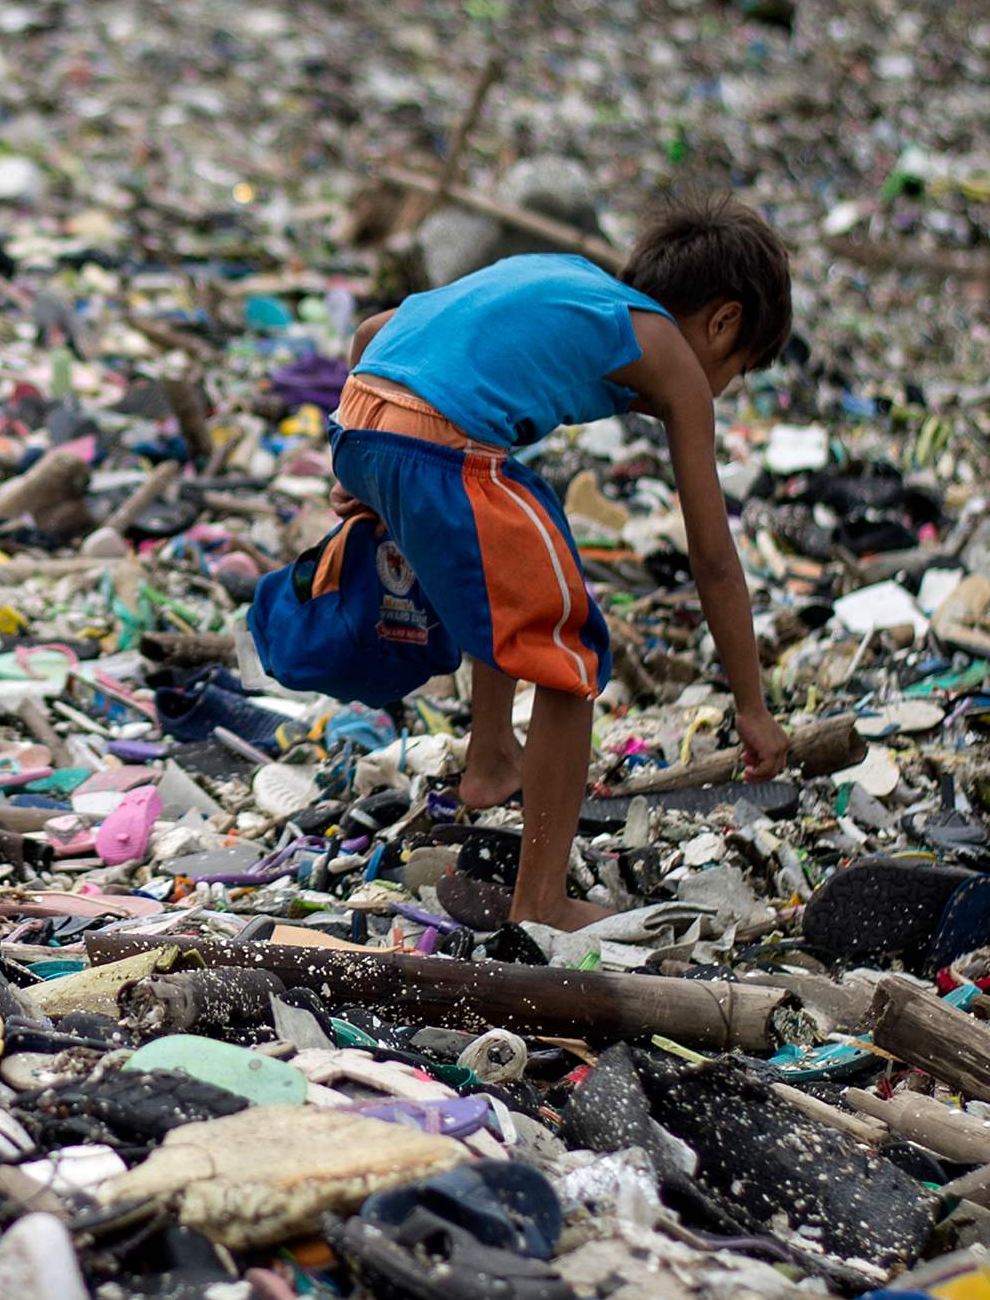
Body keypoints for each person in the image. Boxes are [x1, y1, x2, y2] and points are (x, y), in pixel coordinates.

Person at [333, 200, 795, 928]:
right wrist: (751, 706)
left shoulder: (572, 287)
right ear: (723, 321)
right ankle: (540, 902)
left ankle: (491, 760)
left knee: (522, 546)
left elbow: (370, 332)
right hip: (438, 445)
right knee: (570, 649)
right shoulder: (668, 351)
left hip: (363, 417)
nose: (721, 389)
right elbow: (711, 555)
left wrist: (359, 461)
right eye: (734, 370)